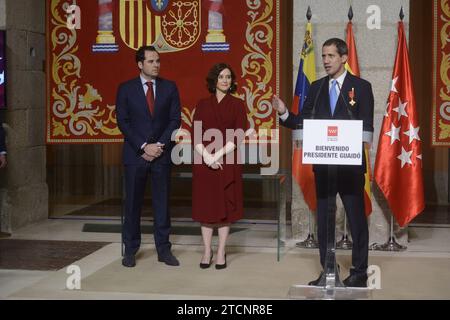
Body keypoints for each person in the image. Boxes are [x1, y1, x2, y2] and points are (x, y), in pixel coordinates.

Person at [273, 38, 374, 287]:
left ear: (343, 57)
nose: (326, 61)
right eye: (323, 56)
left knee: (357, 221)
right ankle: (329, 272)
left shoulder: (361, 87)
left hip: (350, 168)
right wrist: (285, 112)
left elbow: (367, 127)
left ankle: (359, 274)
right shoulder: (317, 87)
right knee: (325, 223)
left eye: (331, 56)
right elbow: (302, 122)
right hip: (324, 167)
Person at [116, 45, 181, 267]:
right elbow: (123, 122)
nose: (156, 65)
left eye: (158, 61)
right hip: (136, 156)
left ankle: (164, 250)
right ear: (140, 64)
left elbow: (175, 120)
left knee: (162, 205)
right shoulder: (125, 89)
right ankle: (130, 251)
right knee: (132, 205)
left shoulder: (170, 87)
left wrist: (158, 146)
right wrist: (144, 146)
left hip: (161, 155)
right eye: (151, 61)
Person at [191, 63, 248, 270]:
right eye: (221, 77)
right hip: (204, 162)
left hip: (228, 161)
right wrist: (207, 156)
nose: (225, 80)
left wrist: (218, 155)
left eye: (228, 77)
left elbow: (239, 135)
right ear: (214, 80)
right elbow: (196, 134)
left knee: (225, 210)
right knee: (206, 209)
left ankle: (222, 251)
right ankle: (207, 251)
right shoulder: (202, 104)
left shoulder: (238, 105)